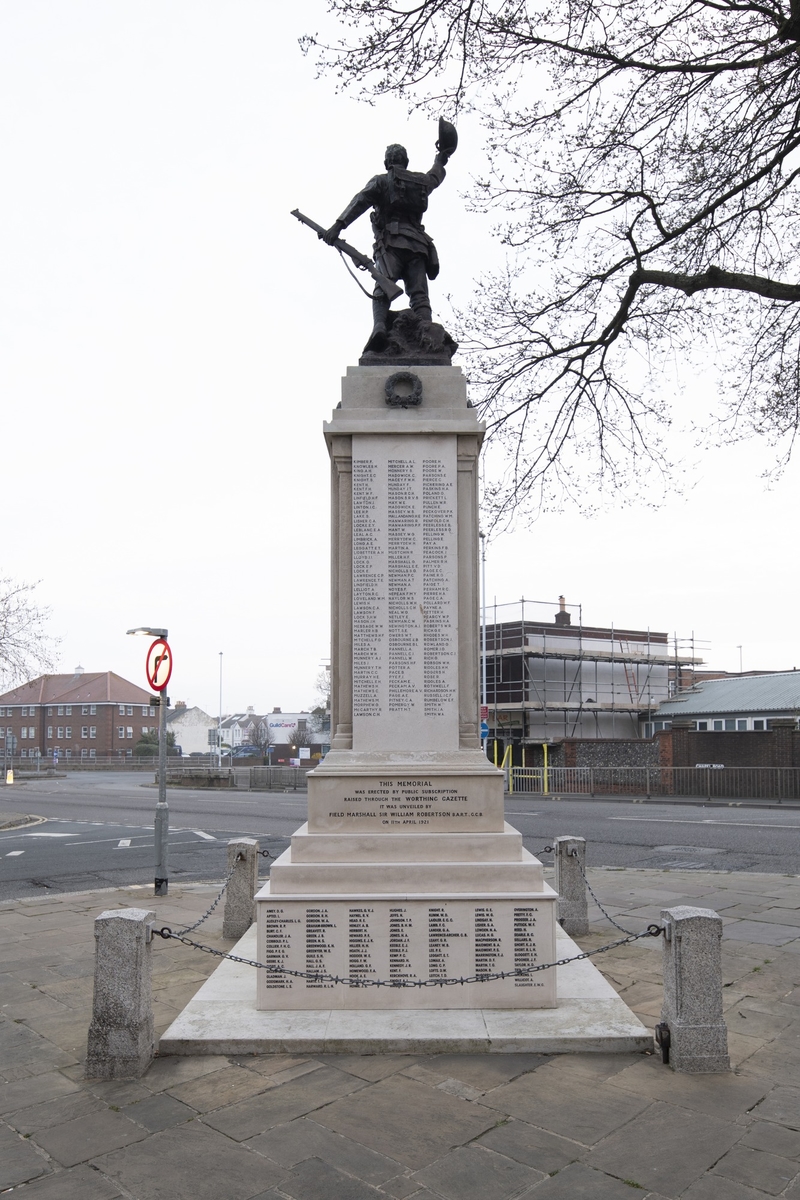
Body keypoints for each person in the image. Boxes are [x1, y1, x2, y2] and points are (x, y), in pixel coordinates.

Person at [323, 138, 454, 352]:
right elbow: (435, 176)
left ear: (387, 163)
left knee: (382, 287)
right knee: (419, 294)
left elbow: (360, 201)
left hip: (390, 244)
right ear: (406, 161)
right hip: (418, 246)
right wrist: (441, 158)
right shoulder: (420, 182)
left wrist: (338, 226)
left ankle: (380, 327)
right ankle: (426, 331)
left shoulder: (382, 181)